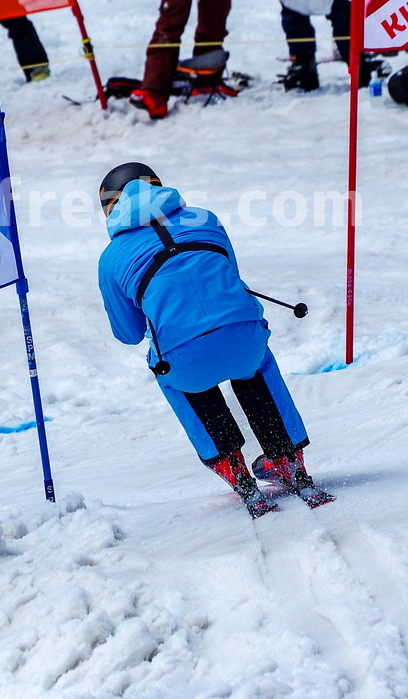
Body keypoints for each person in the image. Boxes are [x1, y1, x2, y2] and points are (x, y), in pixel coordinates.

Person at [96, 163, 331, 517]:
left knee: (167, 368)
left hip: (183, 357)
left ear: (110, 208)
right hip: (243, 337)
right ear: (158, 187)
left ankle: (231, 466)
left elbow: (128, 334)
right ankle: (287, 459)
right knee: (256, 360)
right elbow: (231, 277)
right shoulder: (205, 217)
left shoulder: (111, 258)